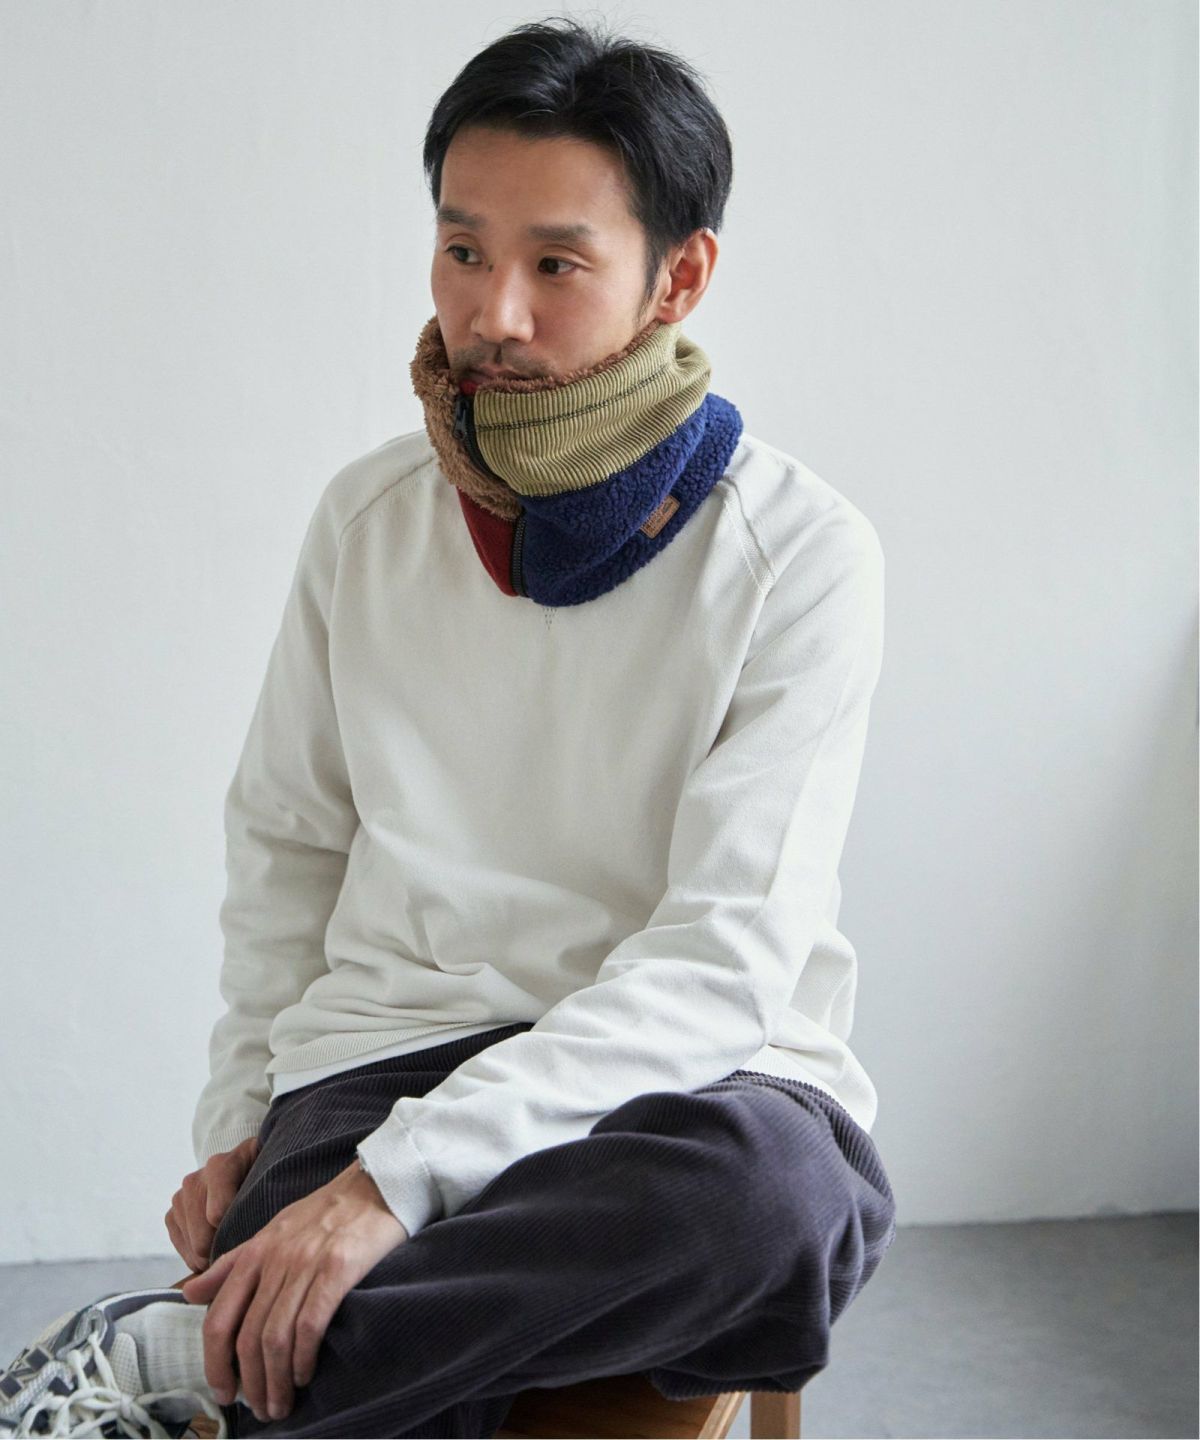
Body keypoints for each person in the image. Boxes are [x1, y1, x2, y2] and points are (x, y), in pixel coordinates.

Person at [0, 16, 897, 1439]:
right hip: (388, 1055)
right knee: (307, 1291)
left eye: (557, 264)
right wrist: (242, 1125)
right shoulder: (369, 519)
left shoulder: (800, 552)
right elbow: (288, 844)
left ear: (679, 276)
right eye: (463, 251)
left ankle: (182, 1366)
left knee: (770, 1206)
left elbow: (723, 960)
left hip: (695, 1087)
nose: (496, 316)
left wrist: (390, 1193)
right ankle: (257, 1353)